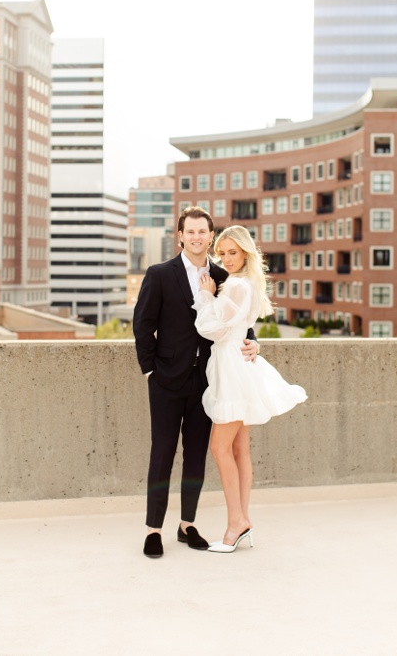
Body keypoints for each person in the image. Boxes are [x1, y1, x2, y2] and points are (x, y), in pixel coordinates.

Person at [133, 206, 259, 559]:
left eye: (203, 231)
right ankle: (153, 529)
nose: (197, 237)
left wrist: (254, 341)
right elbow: (142, 325)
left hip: (208, 382)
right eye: (191, 232)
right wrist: (150, 371)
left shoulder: (224, 276)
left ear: (210, 235)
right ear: (181, 236)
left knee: (196, 457)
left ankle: (187, 524)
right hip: (165, 381)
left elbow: (240, 322)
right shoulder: (159, 274)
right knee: (162, 454)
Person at [193, 225, 307, 553]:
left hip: (231, 365)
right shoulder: (247, 285)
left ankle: (236, 524)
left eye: (233, 252)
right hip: (239, 363)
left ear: (245, 252)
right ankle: (243, 521)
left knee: (219, 448)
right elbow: (238, 326)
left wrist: (205, 295)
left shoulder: (236, 286)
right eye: (223, 253)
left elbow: (210, 328)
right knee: (240, 449)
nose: (226, 259)